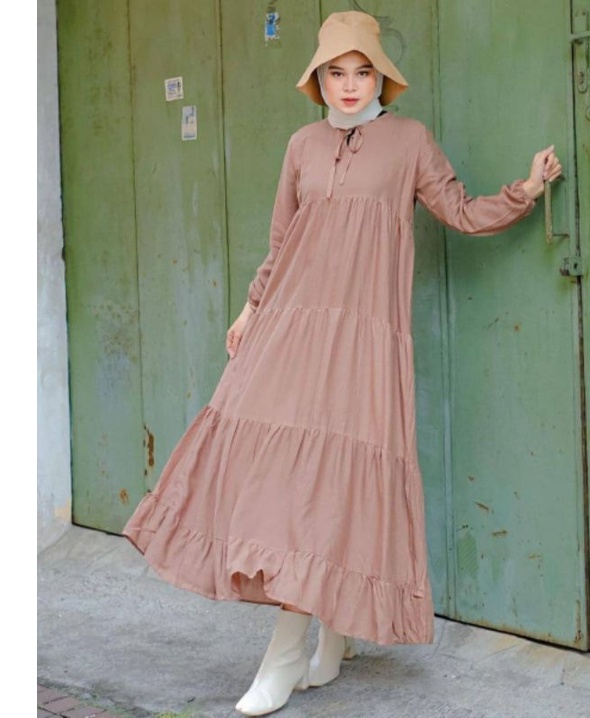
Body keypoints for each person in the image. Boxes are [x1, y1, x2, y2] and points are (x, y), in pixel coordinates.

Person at [123, 10, 562, 717]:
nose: (351, 85)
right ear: (319, 80)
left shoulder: (409, 141)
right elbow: (282, 240)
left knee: (337, 481)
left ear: (381, 77)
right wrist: (252, 307)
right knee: (286, 475)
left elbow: (459, 211)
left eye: (363, 72)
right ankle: (320, 643)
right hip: (293, 326)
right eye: (336, 72)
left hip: (364, 338)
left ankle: (293, 652)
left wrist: (527, 191)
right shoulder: (301, 145)